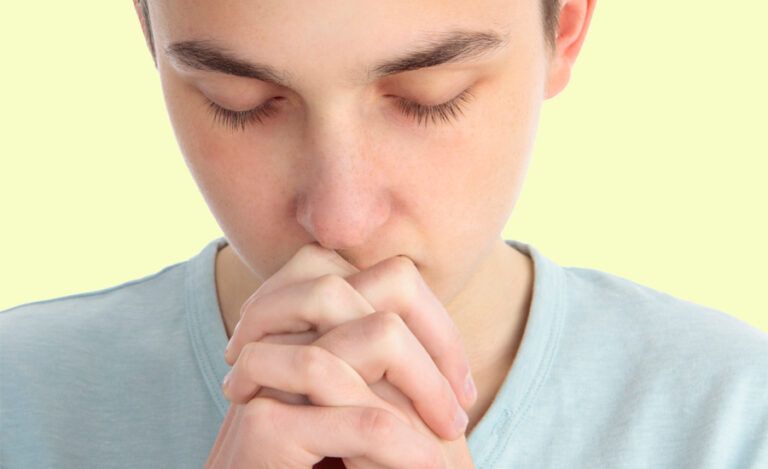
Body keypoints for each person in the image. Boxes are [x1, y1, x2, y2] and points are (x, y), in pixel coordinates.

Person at [1, 0, 766, 467]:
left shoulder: (738, 419)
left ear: (564, 30)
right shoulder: (18, 402)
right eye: (242, 102)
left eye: (429, 99)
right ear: (148, 35)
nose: (339, 217)